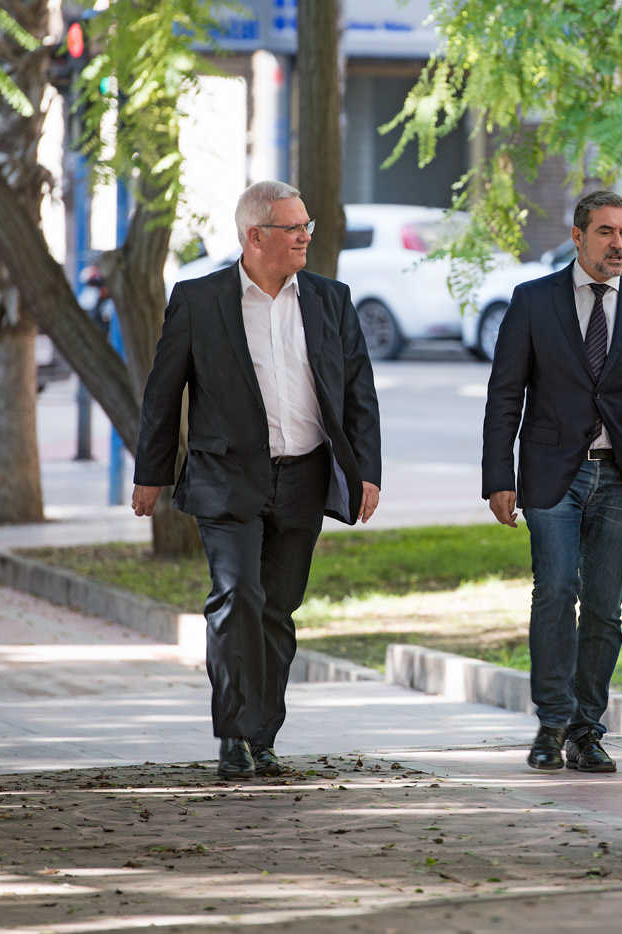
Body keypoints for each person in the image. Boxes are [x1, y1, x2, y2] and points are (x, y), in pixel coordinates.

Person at [132, 180, 381, 780]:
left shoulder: (330, 299)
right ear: (255, 236)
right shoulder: (198, 300)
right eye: (293, 228)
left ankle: (261, 735)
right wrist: (151, 473)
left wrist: (366, 471)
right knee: (236, 598)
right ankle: (233, 734)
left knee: (277, 610)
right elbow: (164, 393)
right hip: (226, 478)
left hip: (305, 476)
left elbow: (358, 392)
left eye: (306, 226)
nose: (304, 237)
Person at [482, 190, 622, 774]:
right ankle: (551, 724)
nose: (618, 244)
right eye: (605, 232)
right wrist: (499, 476)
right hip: (553, 475)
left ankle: (586, 729)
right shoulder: (532, 301)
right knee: (555, 592)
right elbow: (504, 397)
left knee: (604, 607)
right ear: (578, 237)